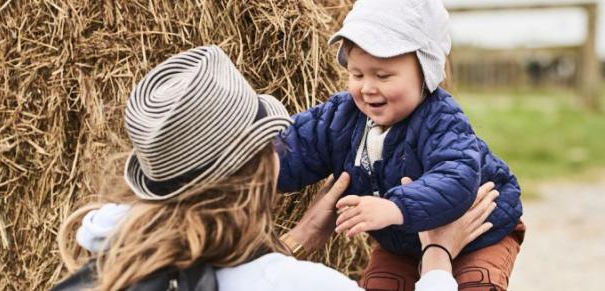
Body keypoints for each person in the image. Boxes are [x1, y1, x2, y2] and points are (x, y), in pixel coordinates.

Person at [52, 46, 499, 291]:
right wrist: (438, 257)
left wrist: (298, 239)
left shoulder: (104, 261)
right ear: (262, 167)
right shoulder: (312, 288)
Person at [276, 0, 525, 290]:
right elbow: (296, 147)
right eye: (357, 74)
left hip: (478, 233)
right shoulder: (341, 117)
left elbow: (457, 178)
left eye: (382, 75)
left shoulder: (442, 119)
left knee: (475, 283)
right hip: (402, 243)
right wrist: (257, 169)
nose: (367, 87)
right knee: (380, 284)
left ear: (426, 72)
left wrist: (394, 208)